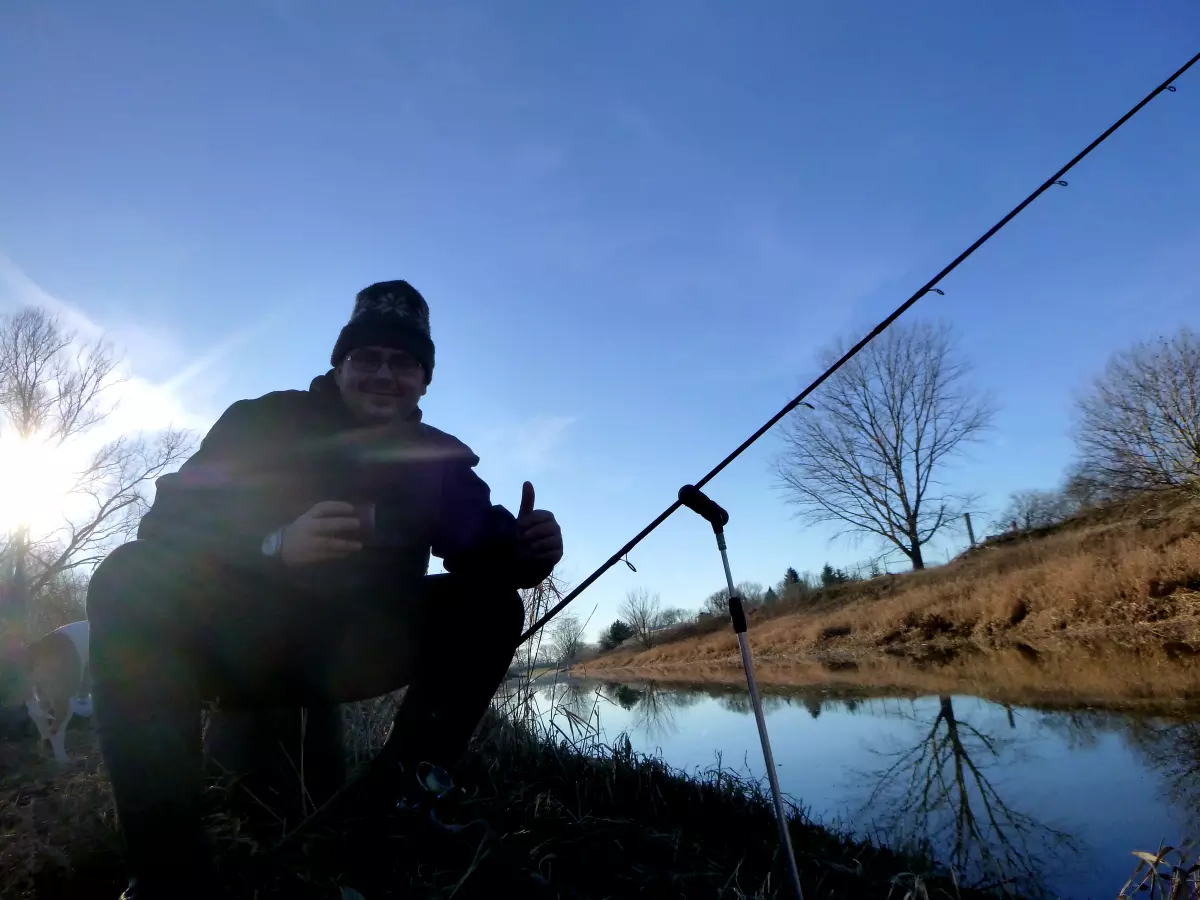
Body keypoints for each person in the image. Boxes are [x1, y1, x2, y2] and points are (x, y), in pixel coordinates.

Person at [86, 280, 564, 899]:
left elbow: (487, 552)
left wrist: (529, 550)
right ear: (339, 365)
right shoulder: (263, 421)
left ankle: (400, 799)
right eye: (367, 357)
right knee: (127, 576)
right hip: (240, 648)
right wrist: (273, 545)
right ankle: (165, 870)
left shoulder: (437, 462)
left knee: (491, 604)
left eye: (404, 362)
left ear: (424, 380)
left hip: (354, 655)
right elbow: (167, 527)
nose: (384, 373)